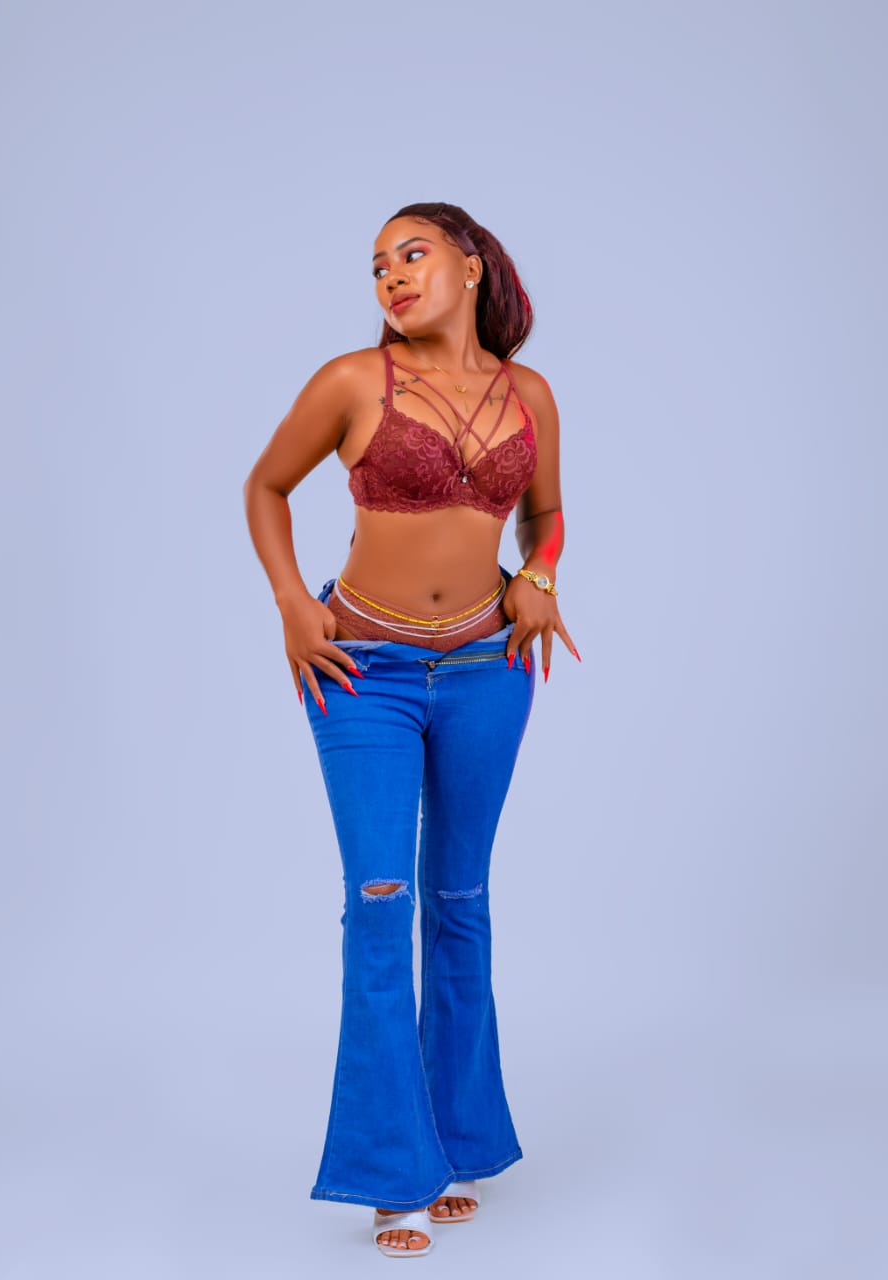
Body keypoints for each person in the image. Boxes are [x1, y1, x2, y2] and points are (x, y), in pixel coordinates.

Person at [242, 201, 578, 1258]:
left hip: (488, 671)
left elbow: (546, 514)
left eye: (412, 253)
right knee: (381, 903)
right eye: (378, 264)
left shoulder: (530, 393)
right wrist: (293, 605)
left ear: (470, 266)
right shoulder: (353, 380)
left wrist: (537, 577)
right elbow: (265, 485)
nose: (390, 275)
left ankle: (456, 1141)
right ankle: (395, 1169)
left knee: (461, 901)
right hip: (363, 672)